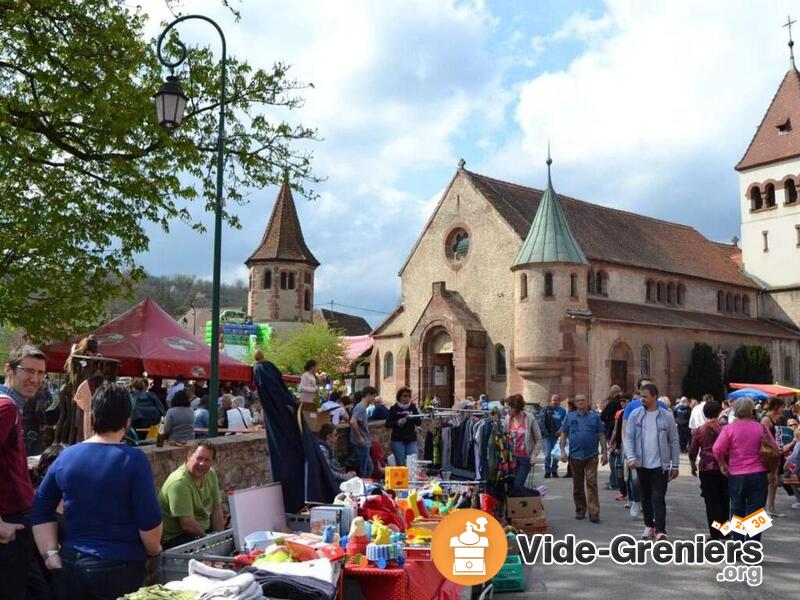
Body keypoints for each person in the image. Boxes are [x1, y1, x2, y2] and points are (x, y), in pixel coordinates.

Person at [31, 383, 163, 600]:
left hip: (71, 563)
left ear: (94, 418)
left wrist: (50, 555)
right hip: (120, 567)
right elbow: (148, 521)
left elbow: (40, 509)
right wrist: (154, 550)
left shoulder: (66, 456)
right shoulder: (134, 460)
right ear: (127, 420)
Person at [1, 345, 51, 600]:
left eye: (41, 373)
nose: (36, 379)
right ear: (9, 370)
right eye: (28, 371)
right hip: (9, 524)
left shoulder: (13, 407)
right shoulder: (7, 407)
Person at [713, 398, 779, 540]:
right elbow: (775, 450)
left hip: (736, 474)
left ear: (735, 411)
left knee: (737, 511)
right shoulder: (761, 427)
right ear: (751, 410)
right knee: (756, 513)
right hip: (758, 474)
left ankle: (738, 545)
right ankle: (752, 548)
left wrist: (722, 464)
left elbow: (717, 449)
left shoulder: (729, 429)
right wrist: (773, 472)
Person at [624, 383, 679, 540]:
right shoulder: (635, 415)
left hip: (660, 465)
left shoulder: (666, 416)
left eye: (645, 396)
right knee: (645, 497)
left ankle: (660, 530)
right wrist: (631, 457)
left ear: (655, 397)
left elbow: (674, 441)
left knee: (658, 497)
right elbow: (629, 438)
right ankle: (649, 526)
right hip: (641, 464)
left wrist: (674, 465)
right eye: (641, 396)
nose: (642, 399)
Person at [158, 442, 225, 549]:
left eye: (207, 460)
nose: (202, 463)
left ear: (212, 462)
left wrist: (221, 538)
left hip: (203, 532)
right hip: (177, 538)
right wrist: (210, 542)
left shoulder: (210, 474)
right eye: (199, 458)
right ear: (189, 456)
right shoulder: (179, 482)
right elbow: (187, 525)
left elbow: (216, 508)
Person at [559, 394, 606, 523]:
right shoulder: (570, 416)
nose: (580, 402)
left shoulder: (594, 417)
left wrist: (605, 453)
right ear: (575, 402)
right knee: (578, 485)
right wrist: (562, 451)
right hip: (575, 456)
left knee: (592, 483)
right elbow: (563, 435)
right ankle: (580, 509)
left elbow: (601, 435)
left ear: (587, 402)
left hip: (591, 455)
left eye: (583, 400)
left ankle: (594, 512)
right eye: (578, 400)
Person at [688, 400, 728, 539]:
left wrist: (693, 466)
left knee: (711, 502)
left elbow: (693, 450)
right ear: (719, 412)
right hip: (724, 467)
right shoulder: (725, 428)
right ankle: (725, 531)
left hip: (707, 468)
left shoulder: (700, 430)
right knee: (724, 499)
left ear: (704, 413)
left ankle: (715, 533)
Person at [505, 394, 543, 494]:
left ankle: (537, 493)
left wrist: (534, 455)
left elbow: (539, 439)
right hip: (510, 459)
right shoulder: (507, 419)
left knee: (517, 486)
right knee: (510, 487)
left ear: (515, 408)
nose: (506, 410)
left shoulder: (529, 419)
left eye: (508, 408)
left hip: (524, 459)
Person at [761, 397, 787, 518]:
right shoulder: (766, 419)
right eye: (782, 407)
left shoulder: (776, 418)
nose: (784, 409)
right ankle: (765, 508)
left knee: (774, 482)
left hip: (777, 452)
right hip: (770, 453)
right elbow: (764, 437)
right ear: (777, 407)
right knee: (769, 479)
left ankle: (770, 507)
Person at [385, 387, 420, 466]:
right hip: (398, 439)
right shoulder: (394, 408)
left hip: (411, 439)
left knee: (412, 462)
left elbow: (419, 422)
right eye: (405, 396)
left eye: (409, 396)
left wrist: (412, 417)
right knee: (400, 462)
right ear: (400, 397)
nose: (407, 398)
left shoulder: (412, 407)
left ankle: (411, 477)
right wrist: (397, 423)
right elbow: (387, 424)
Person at [350, 386, 376, 478]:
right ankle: (362, 486)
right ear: (368, 395)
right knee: (365, 469)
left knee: (369, 467)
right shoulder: (360, 408)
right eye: (373, 396)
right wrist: (360, 438)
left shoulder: (361, 407)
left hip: (364, 442)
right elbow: (353, 421)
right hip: (361, 443)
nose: (373, 399)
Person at [600, 385, 623, 488]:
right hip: (623, 433)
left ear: (613, 393)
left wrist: (608, 422)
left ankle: (614, 482)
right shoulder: (625, 402)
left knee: (613, 457)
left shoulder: (613, 403)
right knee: (620, 458)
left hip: (613, 431)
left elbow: (602, 416)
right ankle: (619, 481)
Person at [540, 394, 567, 479]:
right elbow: (541, 421)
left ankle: (554, 470)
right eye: (553, 400)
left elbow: (564, 422)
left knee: (555, 454)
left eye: (556, 400)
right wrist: (545, 432)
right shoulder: (545, 409)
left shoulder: (562, 411)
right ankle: (547, 471)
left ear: (559, 401)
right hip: (547, 436)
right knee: (547, 454)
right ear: (551, 401)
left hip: (557, 435)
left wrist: (560, 431)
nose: (555, 402)